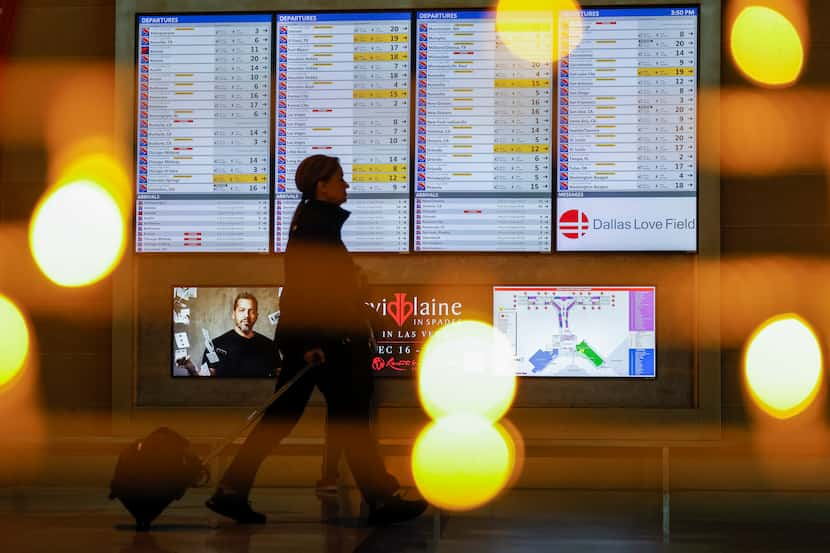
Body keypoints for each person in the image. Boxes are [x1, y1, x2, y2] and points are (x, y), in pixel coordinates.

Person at [206, 155, 428, 525]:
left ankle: (232, 489)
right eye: (340, 179)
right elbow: (309, 290)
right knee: (348, 418)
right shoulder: (316, 228)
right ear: (321, 186)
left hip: (317, 340)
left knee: (303, 417)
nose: (347, 185)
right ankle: (380, 498)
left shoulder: (313, 225)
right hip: (324, 343)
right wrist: (312, 339)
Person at [176, 293, 277, 378]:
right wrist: (191, 368)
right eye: (242, 310)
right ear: (233, 314)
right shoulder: (215, 345)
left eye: (251, 311)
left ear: (256, 316)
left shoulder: (269, 346)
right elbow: (205, 382)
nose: (246, 315)